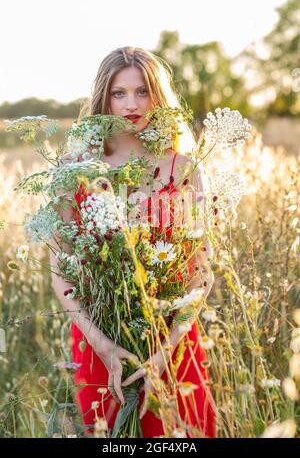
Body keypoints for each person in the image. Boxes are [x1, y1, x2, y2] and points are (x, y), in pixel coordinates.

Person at [50, 46, 217, 438]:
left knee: (179, 437)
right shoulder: (75, 169)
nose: (131, 104)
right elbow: (60, 269)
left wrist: (166, 349)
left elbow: (201, 272)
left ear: (158, 96)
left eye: (142, 92)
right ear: (103, 98)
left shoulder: (185, 168)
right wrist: (104, 345)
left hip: (171, 336)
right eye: (119, 93)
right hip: (98, 335)